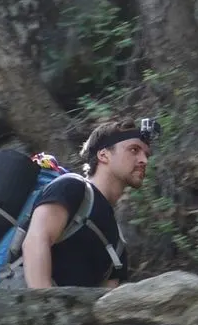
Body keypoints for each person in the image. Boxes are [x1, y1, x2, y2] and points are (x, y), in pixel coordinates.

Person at [19, 120, 151, 289]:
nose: (144, 160)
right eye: (134, 150)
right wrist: (44, 307)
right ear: (103, 155)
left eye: (146, 154)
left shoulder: (117, 244)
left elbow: (106, 300)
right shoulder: (71, 187)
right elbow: (36, 241)